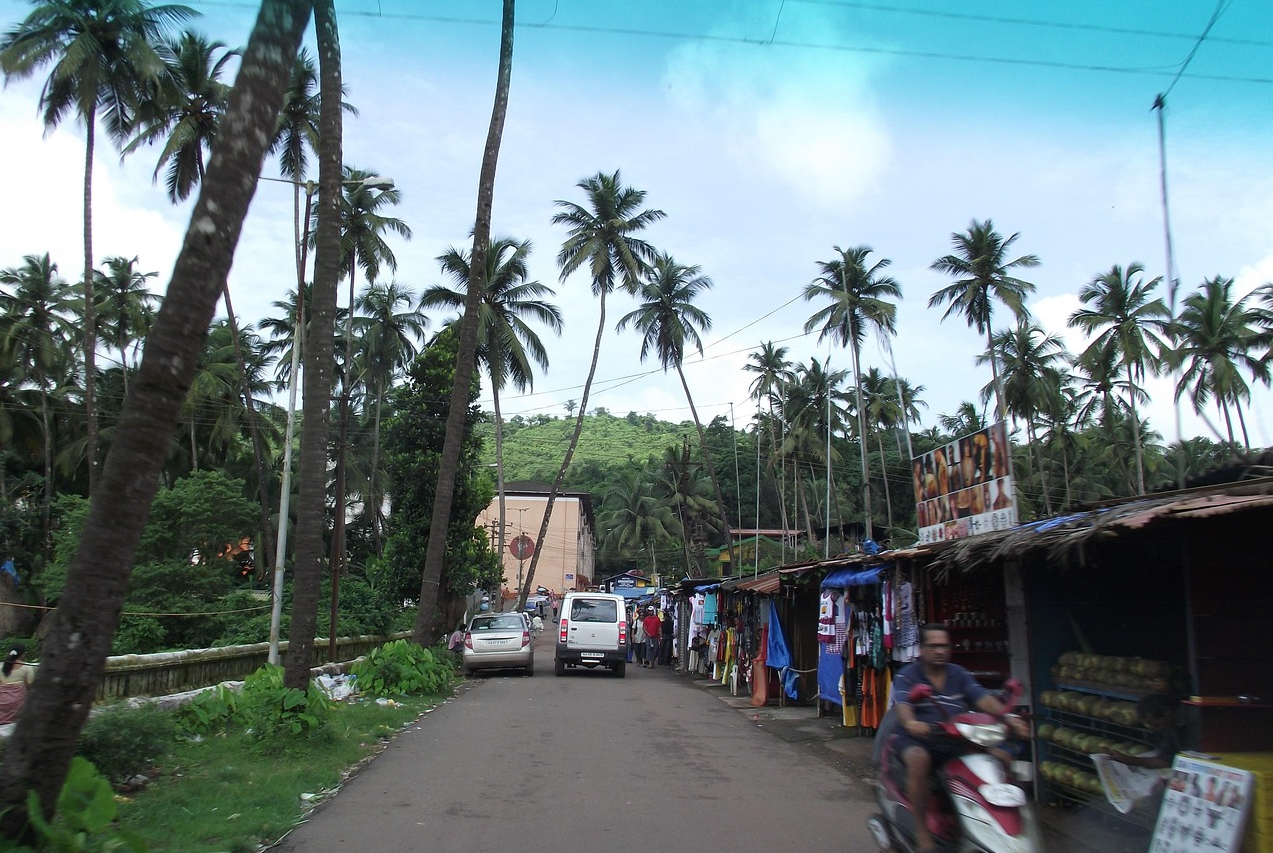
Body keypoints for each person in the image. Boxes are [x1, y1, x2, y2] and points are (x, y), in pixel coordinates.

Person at [892, 624, 1028, 853]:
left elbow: (983, 699)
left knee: (1000, 758)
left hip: (955, 738)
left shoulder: (959, 674)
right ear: (923, 649)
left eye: (944, 646)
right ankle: (923, 835)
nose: (939, 651)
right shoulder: (907, 676)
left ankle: (1006, 827)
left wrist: (1008, 717)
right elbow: (904, 708)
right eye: (933, 646)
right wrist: (912, 723)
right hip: (918, 740)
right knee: (919, 760)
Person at [0, 644, 35, 725]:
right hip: (17, 704)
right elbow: (30, 687)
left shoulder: (0, 667)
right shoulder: (27, 668)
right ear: (23, 654)